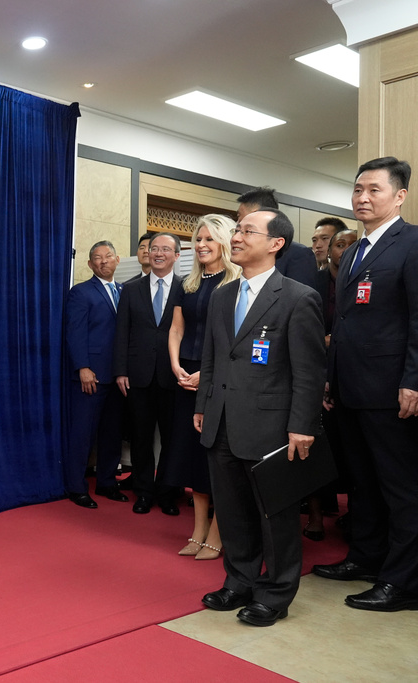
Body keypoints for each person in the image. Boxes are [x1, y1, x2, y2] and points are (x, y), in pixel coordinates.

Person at [194, 208, 325, 626]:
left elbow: (309, 371)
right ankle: (240, 580)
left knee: (276, 517)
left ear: (275, 243)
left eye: (247, 231)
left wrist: (302, 425)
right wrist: (202, 407)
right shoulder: (221, 296)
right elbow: (212, 360)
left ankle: (276, 592)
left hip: (272, 426)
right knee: (232, 511)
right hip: (222, 421)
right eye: (237, 230)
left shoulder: (298, 297)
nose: (236, 237)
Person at [314, 156, 418, 612]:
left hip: (391, 389)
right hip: (351, 387)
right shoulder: (354, 250)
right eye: (358, 189)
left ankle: (404, 581)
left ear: (399, 196)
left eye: (374, 189)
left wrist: (413, 381)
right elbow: (347, 321)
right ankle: (366, 557)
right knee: (361, 483)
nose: (362, 197)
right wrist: (330, 378)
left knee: (400, 488)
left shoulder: (412, 243)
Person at [166, 215, 240, 559]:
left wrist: (205, 375)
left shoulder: (236, 282)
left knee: (217, 458)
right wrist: (177, 366)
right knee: (192, 457)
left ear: (224, 241)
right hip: (186, 376)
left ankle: (218, 532)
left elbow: (233, 339)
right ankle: (196, 531)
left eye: (209, 239)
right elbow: (176, 330)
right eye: (197, 239)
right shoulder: (188, 283)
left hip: (219, 378)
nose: (201, 245)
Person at [114, 232, 183, 515]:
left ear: (177, 255)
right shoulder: (131, 290)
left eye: (165, 249)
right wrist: (120, 370)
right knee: (141, 438)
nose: (158, 253)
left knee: (172, 438)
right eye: (154, 248)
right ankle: (143, 492)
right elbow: (121, 333)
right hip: (138, 375)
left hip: (173, 375)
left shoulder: (186, 288)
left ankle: (168, 492)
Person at [65, 241, 128, 508]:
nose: (103, 261)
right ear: (90, 264)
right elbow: (75, 332)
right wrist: (83, 368)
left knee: (112, 433)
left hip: (117, 376)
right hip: (91, 376)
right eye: (97, 258)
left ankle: (106, 482)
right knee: (82, 434)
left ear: (117, 260)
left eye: (108, 256)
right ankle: (76, 487)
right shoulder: (80, 293)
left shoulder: (125, 292)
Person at [304, 226, 358, 541]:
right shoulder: (314, 284)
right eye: (339, 245)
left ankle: (355, 515)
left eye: (351, 245)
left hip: (354, 379)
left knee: (353, 456)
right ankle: (313, 516)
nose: (344, 250)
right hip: (318, 376)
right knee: (316, 450)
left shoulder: (367, 280)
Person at [237, 187, 316, 290]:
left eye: (239, 216)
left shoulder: (298, 254)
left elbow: (300, 298)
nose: (238, 222)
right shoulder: (242, 252)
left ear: (256, 213)